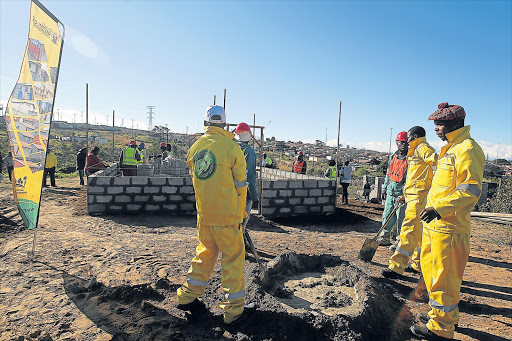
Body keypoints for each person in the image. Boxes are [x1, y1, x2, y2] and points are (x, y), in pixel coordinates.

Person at [410, 103, 484, 341]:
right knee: (432, 276)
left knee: (444, 280)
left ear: (455, 124)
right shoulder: (449, 148)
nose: (435, 129)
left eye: (439, 124)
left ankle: (441, 330)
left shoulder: (468, 149)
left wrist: (439, 209)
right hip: (435, 228)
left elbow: (470, 191)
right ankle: (437, 315)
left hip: (450, 229)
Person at [177, 105, 254, 326]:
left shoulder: (194, 149)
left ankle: (187, 296)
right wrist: (241, 215)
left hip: (204, 215)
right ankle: (233, 312)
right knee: (232, 259)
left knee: (205, 254)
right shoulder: (232, 148)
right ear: (224, 124)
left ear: (205, 123)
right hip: (227, 217)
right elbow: (241, 187)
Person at [382, 126, 437, 279]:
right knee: (419, 235)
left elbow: (437, 166)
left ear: (415, 136)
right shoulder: (415, 150)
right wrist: (405, 195)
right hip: (413, 196)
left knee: (407, 231)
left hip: (419, 198)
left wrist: (430, 189)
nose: (406, 140)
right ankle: (417, 265)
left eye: (408, 137)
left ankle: (396, 267)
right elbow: (415, 178)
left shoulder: (423, 149)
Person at [376, 132, 408, 246]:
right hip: (391, 191)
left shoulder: (411, 159)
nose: (403, 144)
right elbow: (388, 175)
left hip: (402, 193)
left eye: (405, 142)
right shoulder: (392, 157)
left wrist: (405, 194)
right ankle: (384, 237)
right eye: (401, 142)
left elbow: (411, 178)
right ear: (397, 143)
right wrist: (385, 189)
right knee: (387, 215)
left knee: (401, 218)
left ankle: (400, 241)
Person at [235, 122, 259, 212]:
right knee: (241, 220)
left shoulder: (231, 148)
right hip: (243, 192)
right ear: (249, 136)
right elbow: (251, 176)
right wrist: (254, 197)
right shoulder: (249, 151)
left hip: (228, 190)